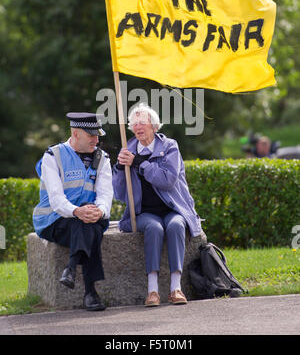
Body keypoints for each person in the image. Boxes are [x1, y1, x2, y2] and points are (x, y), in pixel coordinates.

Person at [112, 103, 203, 307]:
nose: (137, 126)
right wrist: (119, 169)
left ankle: (175, 288)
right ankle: (152, 291)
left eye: (142, 122)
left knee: (176, 226)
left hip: (174, 209)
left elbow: (167, 179)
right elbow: (119, 194)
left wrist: (139, 163)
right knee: (154, 228)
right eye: (133, 123)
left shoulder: (170, 146)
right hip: (144, 213)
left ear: (154, 126)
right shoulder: (128, 150)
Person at [33, 112, 113, 311]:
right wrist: (77, 211)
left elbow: (105, 194)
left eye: (98, 135)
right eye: (91, 135)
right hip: (55, 220)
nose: (97, 139)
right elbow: (56, 199)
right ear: (76, 133)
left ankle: (71, 268)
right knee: (87, 226)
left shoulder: (102, 158)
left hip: (91, 217)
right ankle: (91, 293)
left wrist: (100, 211)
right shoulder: (52, 156)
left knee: (88, 223)